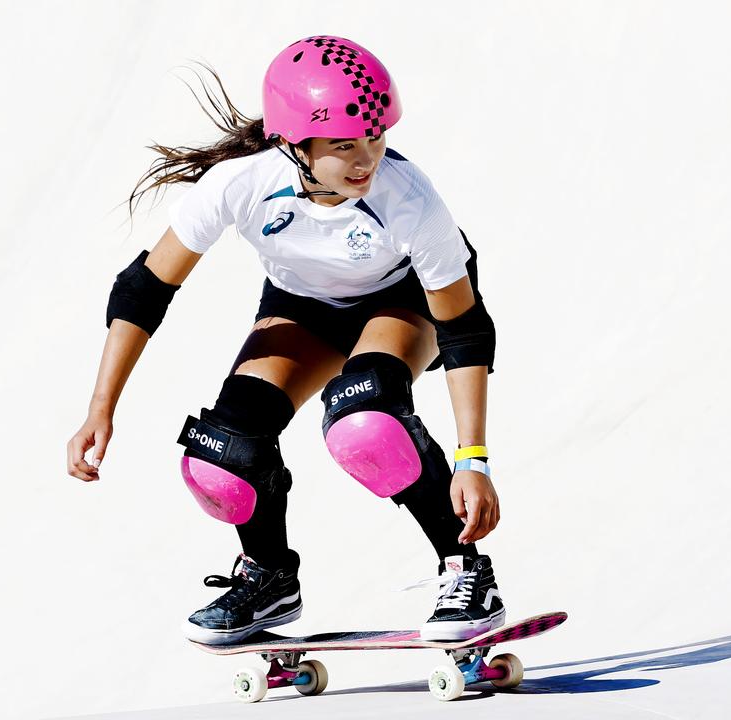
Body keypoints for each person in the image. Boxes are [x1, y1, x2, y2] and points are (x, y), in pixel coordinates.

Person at [65, 36, 505, 645]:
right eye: (343, 145)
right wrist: (100, 408)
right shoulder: (239, 184)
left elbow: (463, 330)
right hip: (302, 309)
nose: (366, 160)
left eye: (374, 137)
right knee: (220, 456)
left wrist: (473, 460)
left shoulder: (408, 198)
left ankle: (465, 570)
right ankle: (270, 577)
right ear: (291, 143)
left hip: (402, 302)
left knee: (364, 423)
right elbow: (143, 289)